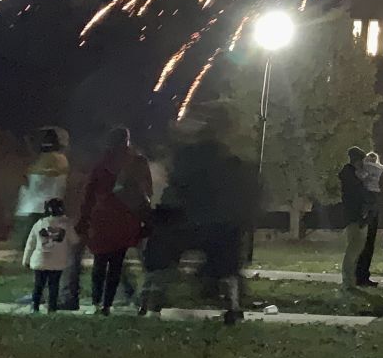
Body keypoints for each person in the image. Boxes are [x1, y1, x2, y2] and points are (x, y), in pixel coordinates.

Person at [144, 106, 255, 323]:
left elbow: (175, 185)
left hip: (187, 219)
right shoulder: (227, 160)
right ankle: (232, 306)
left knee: (162, 258)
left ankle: (154, 300)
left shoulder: (185, 156)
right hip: (218, 222)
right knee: (227, 268)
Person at [78, 127, 151, 315]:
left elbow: (88, 194)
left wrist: (84, 218)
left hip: (101, 219)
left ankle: (96, 301)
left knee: (100, 262)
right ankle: (107, 304)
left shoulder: (101, 164)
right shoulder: (137, 162)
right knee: (117, 264)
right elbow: (146, 191)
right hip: (126, 219)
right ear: (127, 141)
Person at [22, 198, 74, 313]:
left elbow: (31, 243)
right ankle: (52, 308)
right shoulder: (66, 225)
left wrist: (26, 259)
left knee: (38, 285)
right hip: (57, 262)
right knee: (54, 286)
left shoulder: (39, 224)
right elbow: (74, 240)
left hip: (40, 260)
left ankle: (35, 306)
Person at [352, 150, 383, 287]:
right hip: (374, 200)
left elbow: (360, 177)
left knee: (363, 242)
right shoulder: (381, 170)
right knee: (369, 242)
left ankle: (358, 275)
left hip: (367, 199)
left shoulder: (364, 169)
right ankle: (363, 275)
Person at [339, 147, 370, 289]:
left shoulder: (353, 175)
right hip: (354, 216)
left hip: (357, 216)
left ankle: (351, 279)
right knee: (353, 249)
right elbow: (355, 196)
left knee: (356, 248)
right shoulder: (350, 175)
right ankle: (347, 280)